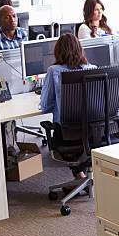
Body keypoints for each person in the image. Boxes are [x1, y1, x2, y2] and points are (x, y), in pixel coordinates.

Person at [40, 33, 96, 180]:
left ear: (58, 51)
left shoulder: (54, 71)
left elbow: (45, 106)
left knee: (64, 129)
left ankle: (81, 177)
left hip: (67, 136)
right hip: (95, 133)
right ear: (80, 49)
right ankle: (82, 176)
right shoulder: (93, 69)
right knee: (82, 139)